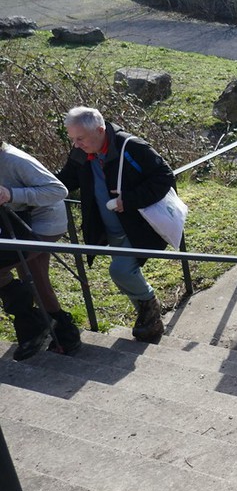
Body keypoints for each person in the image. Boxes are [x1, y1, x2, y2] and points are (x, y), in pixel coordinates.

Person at [56, 107, 172, 342]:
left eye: (80, 138)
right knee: (125, 274)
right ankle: (149, 321)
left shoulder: (132, 147)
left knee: (121, 271)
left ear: (100, 131)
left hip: (137, 226)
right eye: (73, 139)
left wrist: (128, 200)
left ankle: (150, 307)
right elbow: (65, 179)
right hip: (110, 229)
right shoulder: (82, 151)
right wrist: (33, 189)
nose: (76, 145)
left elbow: (164, 176)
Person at [0, 142, 80, 359]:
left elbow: (58, 190)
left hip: (43, 223)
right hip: (15, 223)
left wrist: (11, 194)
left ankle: (38, 327)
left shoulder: (14, 160)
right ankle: (58, 331)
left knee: (29, 275)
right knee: (36, 279)